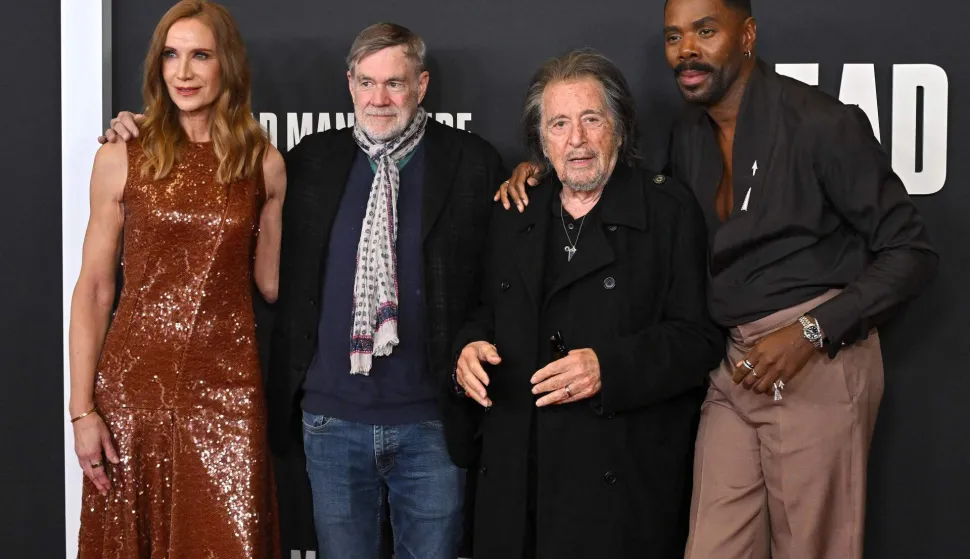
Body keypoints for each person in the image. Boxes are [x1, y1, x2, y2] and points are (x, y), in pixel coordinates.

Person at [498, 1, 939, 557]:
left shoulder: (823, 123)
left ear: (748, 35)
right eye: (674, 36)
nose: (687, 50)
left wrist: (810, 332)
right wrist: (541, 167)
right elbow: (620, 184)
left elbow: (912, 252)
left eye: (706, 32)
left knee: (814, 546)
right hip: (732, 362)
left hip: (816, 357)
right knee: (712, 545)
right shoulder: (689, 133)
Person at [454, 49, 723, 559]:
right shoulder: (514, 210)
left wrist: (610, 368)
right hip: (517, 484)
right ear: (541, 141)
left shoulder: (667, 210)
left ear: (619, 129)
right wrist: (467, 348)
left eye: (590, 119)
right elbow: (483, 311)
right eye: (558, 124)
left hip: (617, 487)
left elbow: (698, 340)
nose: (576, 139)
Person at [72, 1, 285, 557]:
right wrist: (82, 410)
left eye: (200, 55)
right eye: (171, 54)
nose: (183, 72)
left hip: (230, 394)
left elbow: (273, 283)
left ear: (227, 66)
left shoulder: (263, 162)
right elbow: (94, 289)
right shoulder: (122, 153)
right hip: (131, 393)